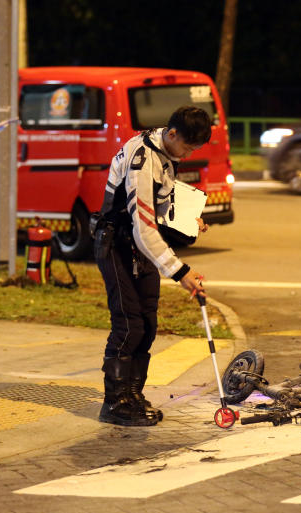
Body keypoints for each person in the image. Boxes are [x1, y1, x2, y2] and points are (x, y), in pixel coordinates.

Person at [92, 106, 211, 426]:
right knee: (129, 324)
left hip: (138, 247)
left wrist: (188, 220)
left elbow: (161, 208)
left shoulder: (166, 155)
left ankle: (132, 394)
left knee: (147, 323)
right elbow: (143, 226)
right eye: (187, 147)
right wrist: (181, 272)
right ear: (172, 134)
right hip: (116, 245)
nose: (187, 155)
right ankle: (115, 403)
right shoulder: (142, 158)